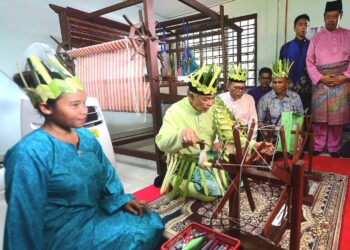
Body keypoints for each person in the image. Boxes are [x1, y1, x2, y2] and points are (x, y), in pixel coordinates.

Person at [4, 54, 164, 249]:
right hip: (60, 230)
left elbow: (107, 175)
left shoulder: (86, 137)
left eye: (84, 102)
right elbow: (23, 218)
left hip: (94, 212)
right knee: (136, 234)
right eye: (74, 105)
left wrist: (121, 200)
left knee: (151, 222)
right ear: (46, 107)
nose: (84, 110)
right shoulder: (29, 153)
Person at [156, 64, 274, 202]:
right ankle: (175, 179)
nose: (210, 103)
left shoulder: (215, 107)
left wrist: (254, 144)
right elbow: (161, 142)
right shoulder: (175, 111)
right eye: (205, 99)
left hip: (209, 158)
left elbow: (230, 132)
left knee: (236, 182)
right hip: (186, 161)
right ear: (191, 96)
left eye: (212, 98)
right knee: (210, 194)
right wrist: (180, 136)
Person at [306, 0, 350, 157]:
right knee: (320, 118)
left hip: (342, 82)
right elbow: (309, 61)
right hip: (321, 81)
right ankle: (318, 146)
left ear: (340, 16)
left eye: (334, 16)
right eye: (328, 16)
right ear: (324, 17)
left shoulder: (348, 34)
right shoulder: (316, 38)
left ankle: (334, 148)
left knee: (336, 118)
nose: (331, 19)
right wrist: (320, 78)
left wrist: (344, 77)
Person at [280, 14, 312, 113]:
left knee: (307, 118)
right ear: (295, 27)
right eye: (300, 24)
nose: (303, 27)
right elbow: (281, 71)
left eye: (306, 25)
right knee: (290, 117)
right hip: (290, 89)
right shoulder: (286, 47)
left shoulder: (312, 45)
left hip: (308, 90)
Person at [258, 59, 304, 128]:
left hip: (291, 135)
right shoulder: (265, 99)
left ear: (286, 83)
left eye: (280, 82)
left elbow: (300, 119)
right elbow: (260, 122)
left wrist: (298, 136)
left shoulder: (295, 97)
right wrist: (266, 135)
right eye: (274, 82)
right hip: (271, 136)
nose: (277, 85)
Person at [218, 63, 257, 136]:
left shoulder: (249, 99)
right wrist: (216, 141)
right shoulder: (220, 98)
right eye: (236, 88)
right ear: (228, 86)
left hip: (244, 137)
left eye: (242, 88)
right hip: (224, 136)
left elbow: (253, 121)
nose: (240, 91)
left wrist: (250, 142)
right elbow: (215, 122)